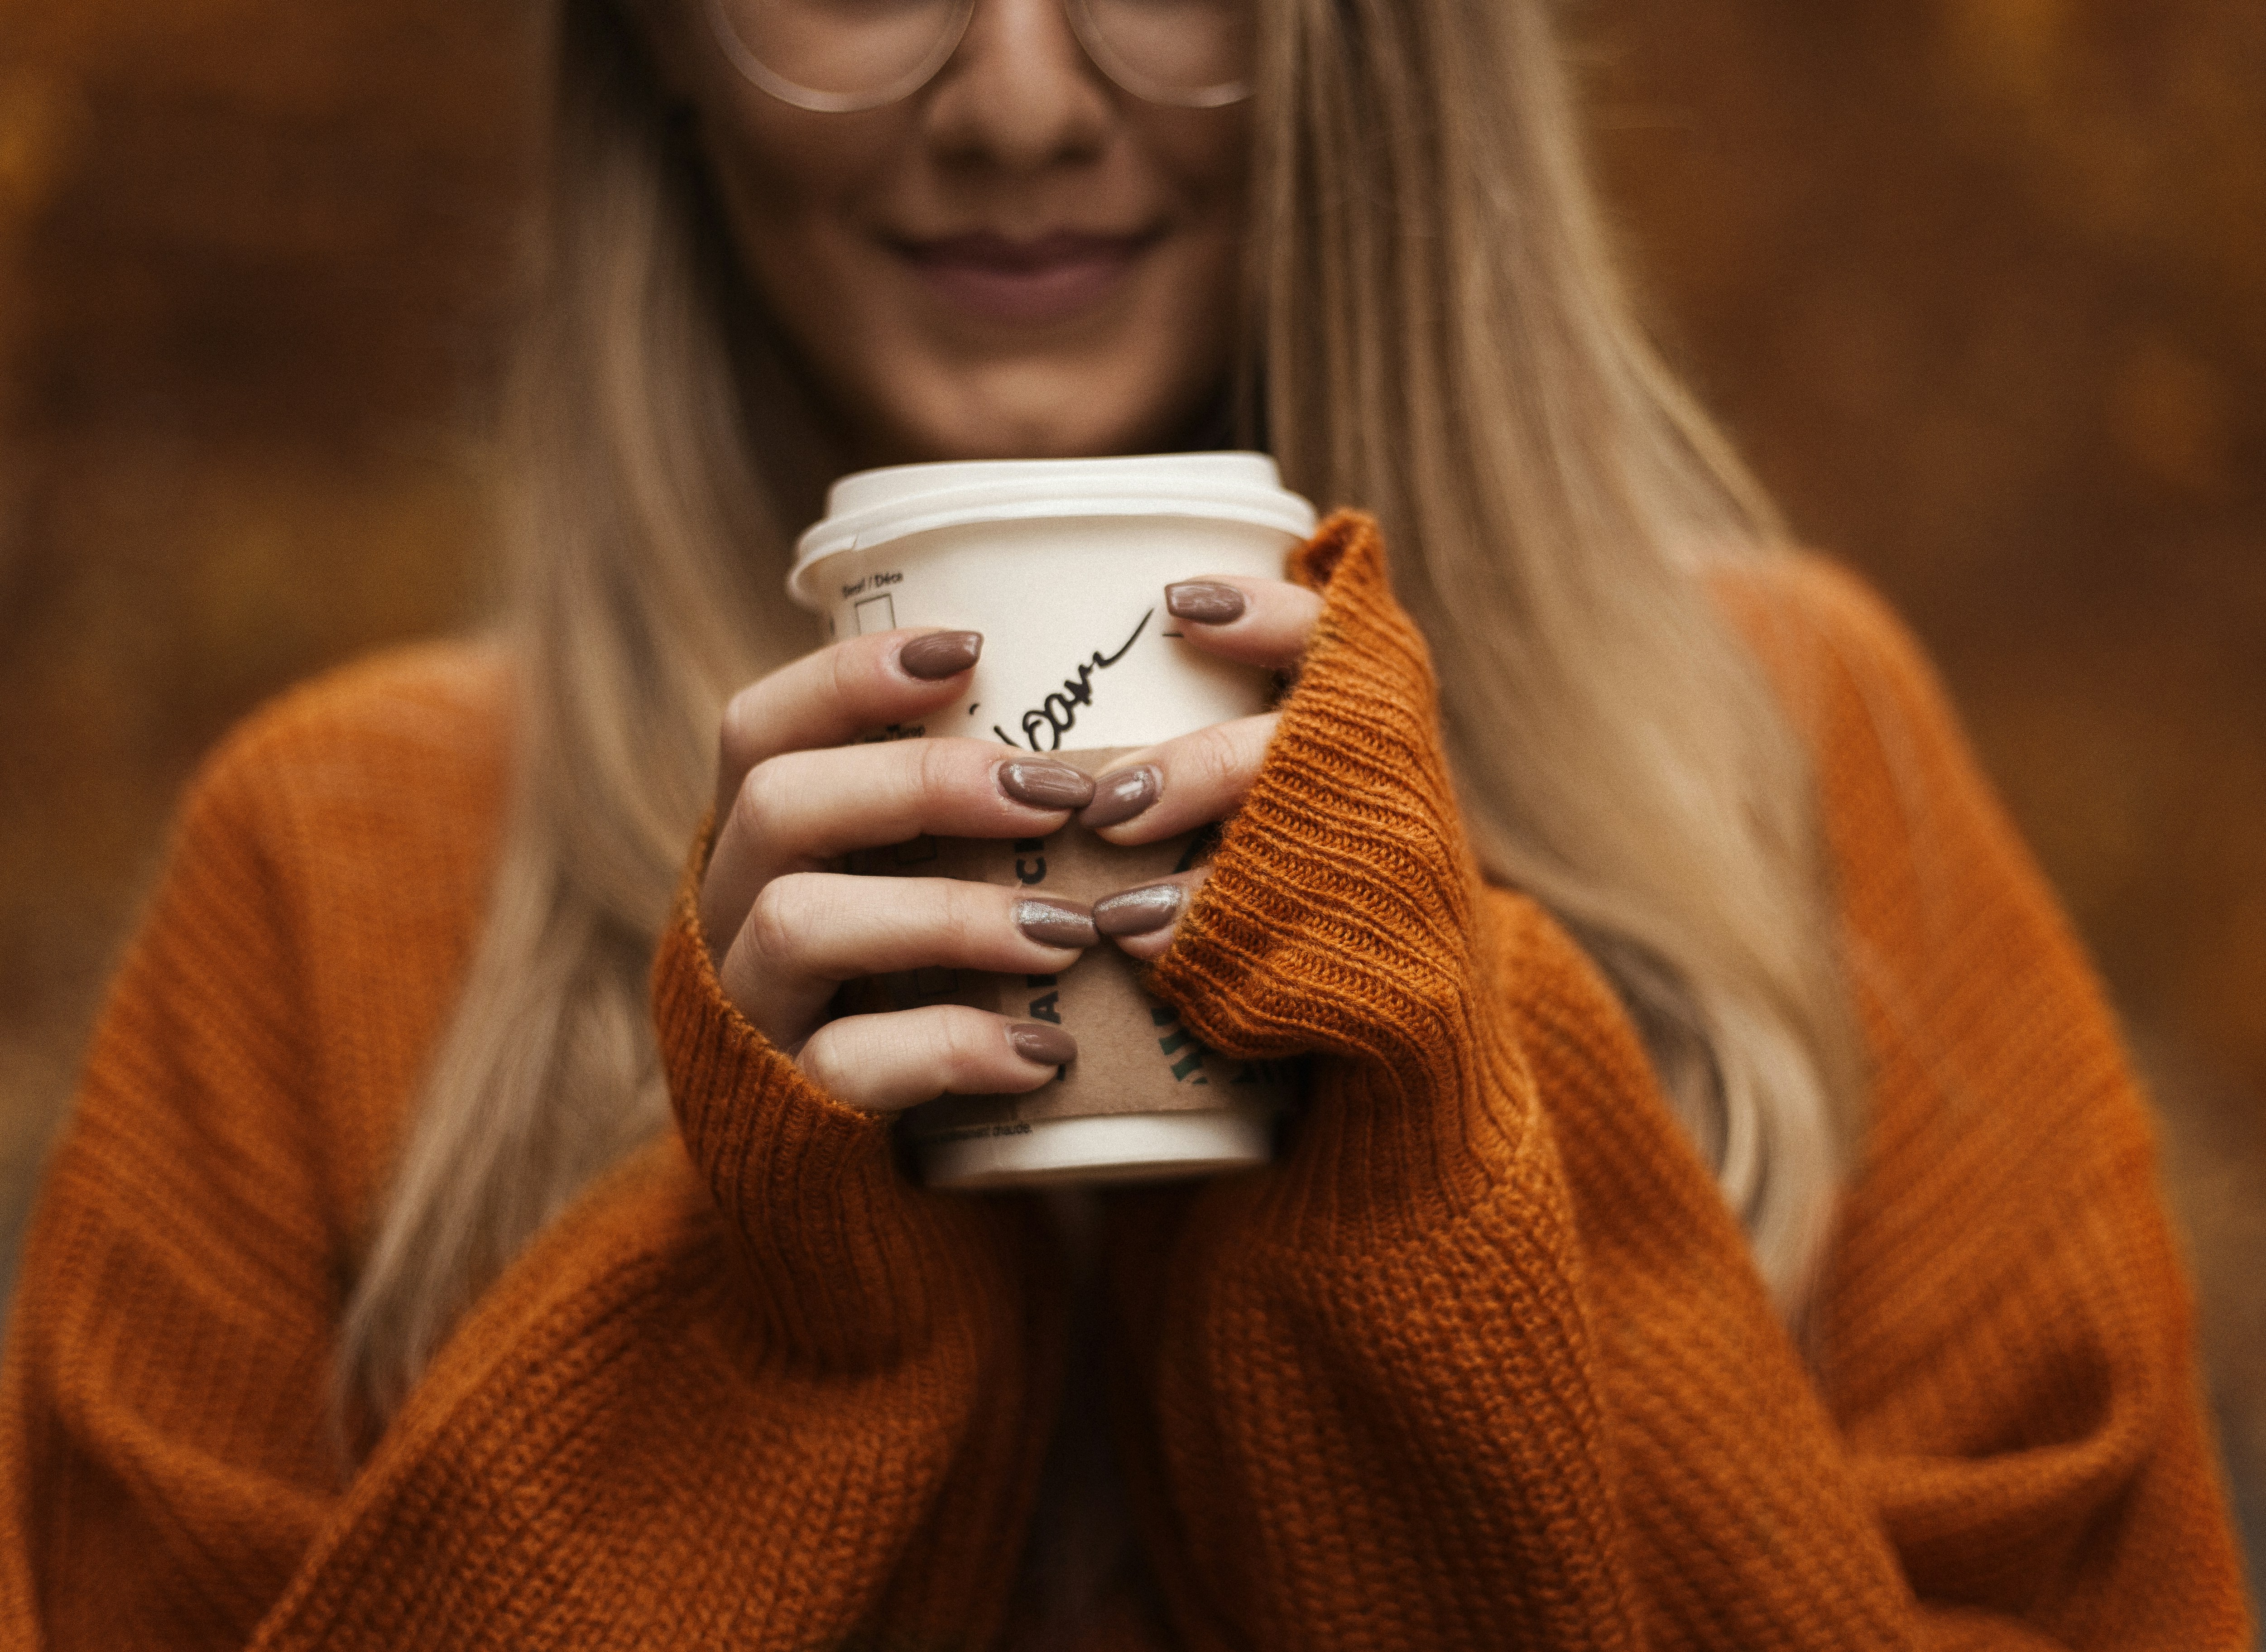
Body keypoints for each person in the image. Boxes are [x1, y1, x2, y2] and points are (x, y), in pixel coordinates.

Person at [0, 0, 2249, 1642]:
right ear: (654, 42)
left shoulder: (1793, 759)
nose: (1017, 101)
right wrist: (748, 1335)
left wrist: (1447, 1148)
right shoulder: (327, 862)